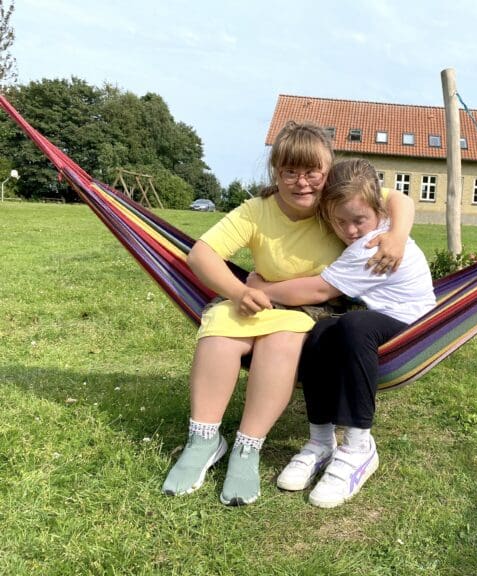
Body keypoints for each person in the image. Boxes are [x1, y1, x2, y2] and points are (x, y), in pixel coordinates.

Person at [162, 122, 415, 506]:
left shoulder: (337, 200)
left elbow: (399, 200)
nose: (303, 183)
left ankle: (248, 448)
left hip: (311, 308)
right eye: (290, 173)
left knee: (280, 342)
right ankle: (204, 440)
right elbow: (201, 254)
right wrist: (238, 291)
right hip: (258, 299)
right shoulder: (256, 211)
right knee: (220, 333)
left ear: (327, 170)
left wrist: (396, 235)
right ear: (275, 173)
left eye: (313, 172)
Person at [247, 158, 436, 508]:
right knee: (321, 332)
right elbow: (400, 200)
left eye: (359, 220)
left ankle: (359, 446)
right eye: (340, 222)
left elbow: (318, 291)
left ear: (377, 211)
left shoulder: (372, 245)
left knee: (351, 328)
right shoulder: (380, 218)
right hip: (385, 311)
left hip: (416, 322)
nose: (350, 230)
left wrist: (263, 287)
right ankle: (321, 440)